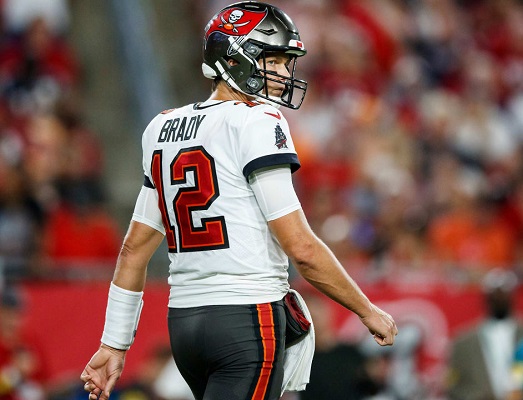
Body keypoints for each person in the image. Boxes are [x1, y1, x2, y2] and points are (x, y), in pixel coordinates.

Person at [80, 2, 398, 400]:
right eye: (273, 59)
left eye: (286, 61)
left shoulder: (161, 127)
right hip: (246, 316)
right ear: (232, 58)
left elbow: (133, 250)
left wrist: (114, 342)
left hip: (185, 324)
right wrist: (366, 309)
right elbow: (300, 248)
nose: (283, 72)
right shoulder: (257, 121)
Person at [446, 268, 523, 400]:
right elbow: (452, 384)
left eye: (503, 294)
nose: (499, 299)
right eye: (495, 294)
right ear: (486, 298)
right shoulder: (464, 342)